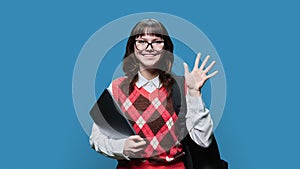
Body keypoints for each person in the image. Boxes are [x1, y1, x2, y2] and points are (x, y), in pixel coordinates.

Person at [90, 19, 219, 169]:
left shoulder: (182, 87)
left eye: (157, 41)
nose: (149, 48)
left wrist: (194, 92)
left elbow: (203, 140)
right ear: (133, 48)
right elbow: (96, 138)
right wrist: (122, 147)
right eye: (142, 41)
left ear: (166, 49)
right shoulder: (117, 87)